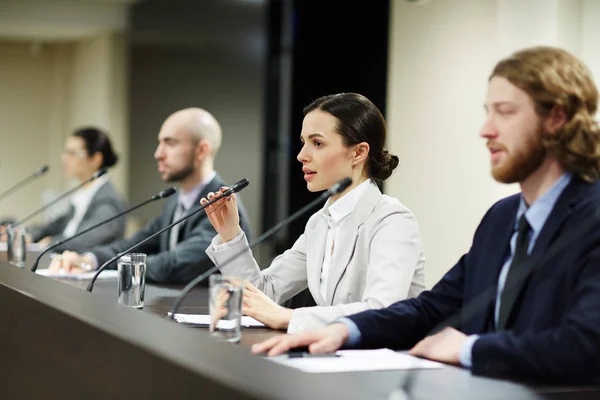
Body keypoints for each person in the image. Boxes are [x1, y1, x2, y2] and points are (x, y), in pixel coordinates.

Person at [252, 47, 600, 384]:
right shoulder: (501, 218)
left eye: (505, 112)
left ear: (556, 118)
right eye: (487, 112)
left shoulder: (591, 216)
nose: (486, 130)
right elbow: (429, 308)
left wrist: (470, 348)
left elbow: (586, 345)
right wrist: (344, 330)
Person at [202, 93, 426, 333]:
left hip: (385, 362)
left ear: (358, 152)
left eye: (317, 143)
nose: (301, 155)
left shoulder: (392, 220)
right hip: (334, 356)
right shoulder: (320, 223)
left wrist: (291, 318)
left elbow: (382, 310)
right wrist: (230, 234)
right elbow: (266, 293)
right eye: (303, 142)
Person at [49, 108, 253, 284]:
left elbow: (175, 264)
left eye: (170, 143)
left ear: (201, 151)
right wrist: (90, 259)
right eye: (159, 143)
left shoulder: (222, 206)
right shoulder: (175, 201)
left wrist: (113, 265)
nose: (158, 154)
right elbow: (136, 243)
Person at [27, 127, 126, 252]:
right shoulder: (82, 193)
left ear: (96, 159)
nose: (64, 159)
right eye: (66, 152)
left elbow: (86, 239)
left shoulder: (109, 199)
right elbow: (56, 226)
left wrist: (52, 242)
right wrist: (29, 234)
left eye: (72, 153)